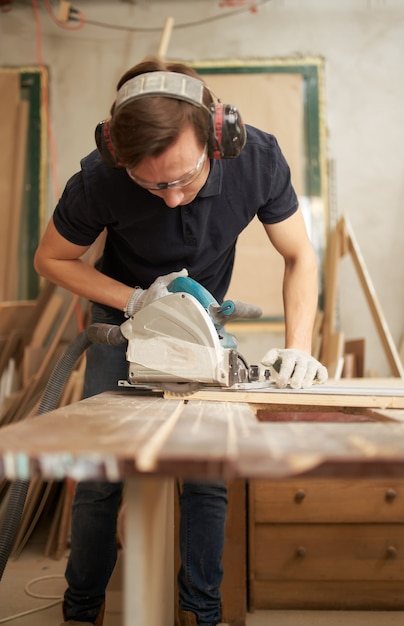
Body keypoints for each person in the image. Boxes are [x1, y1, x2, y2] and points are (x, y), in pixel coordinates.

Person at [34, 56, 328, 626]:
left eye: (181, 180)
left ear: (218, 136)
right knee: (100, 479)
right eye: (150, 186)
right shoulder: (100, 178)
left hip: (202, 324)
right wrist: (137, 300)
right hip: (123, 321)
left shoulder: (258, 159)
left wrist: (300, 344)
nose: (169, 198)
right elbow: (52, 259)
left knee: (205, 476)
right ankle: (81, 610)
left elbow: (300, 255)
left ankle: (201, 614)